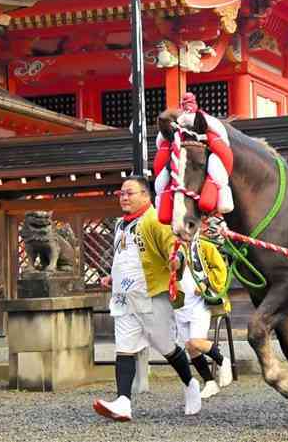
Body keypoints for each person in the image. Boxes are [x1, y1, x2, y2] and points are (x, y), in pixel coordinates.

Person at [93, 176, 201, 422]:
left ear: (145, 195)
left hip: (150, 295)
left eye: (129, 193)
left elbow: (173, 249)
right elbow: (123, 258)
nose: (124, 197)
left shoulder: (155, 219)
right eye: (121, 193)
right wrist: (113, 278)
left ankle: (190, 383)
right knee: (124, 349)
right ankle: (123, 402)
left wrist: (177, 262)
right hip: (123, 298)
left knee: (166, 346)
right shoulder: (121, 224)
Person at [173, 235, 233, 399]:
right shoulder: (171, 247)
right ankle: (209, 382)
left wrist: (205, 283)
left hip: (200, 303)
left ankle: (222, 360)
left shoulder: (204, 246)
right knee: (190, 347)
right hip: (180, 305)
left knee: (196, 342)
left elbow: (220, 268)